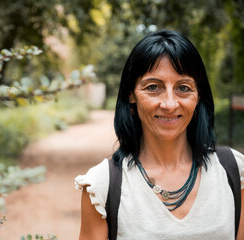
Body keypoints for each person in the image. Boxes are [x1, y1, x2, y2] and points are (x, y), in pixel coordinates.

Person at [75, 29, 244, 240]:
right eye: (153, 87)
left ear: (199, 96)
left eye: (183, 88)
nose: (170, 104)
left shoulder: (235, 172)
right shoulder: (102, 186)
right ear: (131, 95)